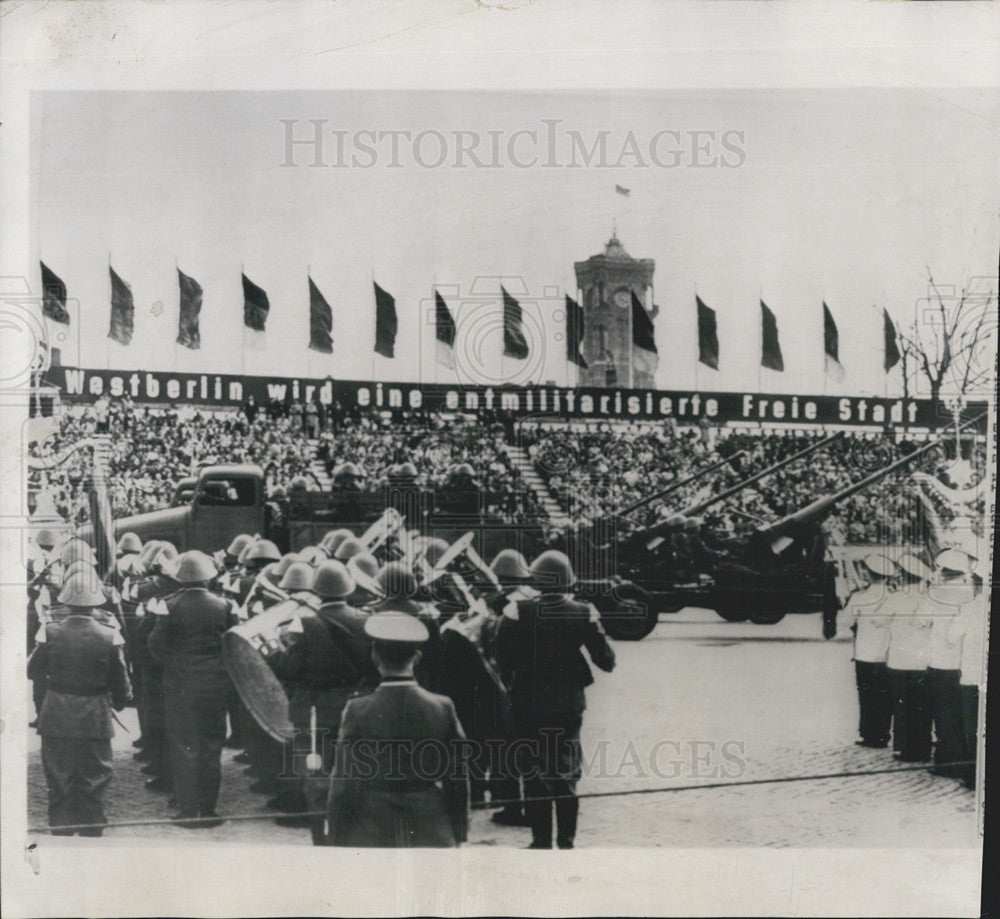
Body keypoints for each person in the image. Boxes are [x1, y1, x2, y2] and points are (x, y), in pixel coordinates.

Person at [496, 549, 616, 849]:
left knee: (533, 771)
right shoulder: (584, 611)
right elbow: (607, 661)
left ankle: (540, 841)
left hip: (526, 702)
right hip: (568, 704)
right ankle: (567, 840)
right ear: (567, 580)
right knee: (566, 772)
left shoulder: (516, 611)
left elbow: (500, 657)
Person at [326, 612, 470, 848]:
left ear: (375, 656)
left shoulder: (357, 709)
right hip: (430, 824)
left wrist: (336, 834)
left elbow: (342, 781)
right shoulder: (443, 706)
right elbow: (457, 779)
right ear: (417, 657)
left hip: (373, 825)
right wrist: (458, 830)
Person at [268, 559, 377, 842]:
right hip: (355, 706)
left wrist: (273, 652)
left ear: (317, 591)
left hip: (314, 709)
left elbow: (291, 669)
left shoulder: (304, 624)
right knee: (353, 769)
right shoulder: (365, 619)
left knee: (316, 774)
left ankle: (323, 833)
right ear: (347, 589)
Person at [27, 571, 131, 835]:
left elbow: (32, 670)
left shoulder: (49, 630)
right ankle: (91, 830)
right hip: (95, 715)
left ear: (67, 601)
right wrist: (119, 702)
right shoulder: (110, 634)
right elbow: (120, 680)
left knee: (59, 775)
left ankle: (61, 829)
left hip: (57, 713)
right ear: (96, 603)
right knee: (95, 776)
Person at [148, 550, 239, 827]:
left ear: (181, 578)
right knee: (212, 746)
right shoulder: (225, 606)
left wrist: (173, 666)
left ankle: (187, 810)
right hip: (215, 686)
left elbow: (155, 645)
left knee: (184, 746)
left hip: (180, 686)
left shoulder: (169, 604)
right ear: (209, 577)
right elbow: (234, 645)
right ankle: (208, 809)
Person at [839, 554, 897, 748]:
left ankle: (868, 734)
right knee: (884, 695)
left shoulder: (859, 597)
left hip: (864, 652)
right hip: (887, 654)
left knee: (866, 694)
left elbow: (845, 622)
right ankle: (883, 734)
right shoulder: (894, 597)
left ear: (869, 574)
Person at [927, 548, 975, 777]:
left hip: (939, 661)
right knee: (959, 716)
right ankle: (960, 760)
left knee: (944, 716)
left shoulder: (937, 592)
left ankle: (947, 762)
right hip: (961, 663)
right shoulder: (968, 592)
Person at [886, 553, 934, 763]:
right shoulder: (927, 599)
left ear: (904, 576)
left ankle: (904, 748)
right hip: (921, 660)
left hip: (898, 659)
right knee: (921, 708)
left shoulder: (895, 598)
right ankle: (921, 749)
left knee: (901, 706)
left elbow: (882, 622)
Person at [951, 558, 987, 789]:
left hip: (971, 677)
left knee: (972, 729)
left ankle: (973, 776)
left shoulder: (969, 607)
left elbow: (952, 636)